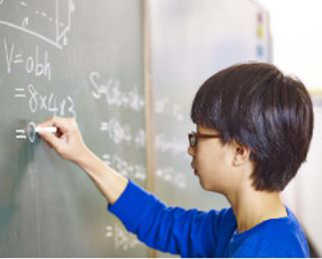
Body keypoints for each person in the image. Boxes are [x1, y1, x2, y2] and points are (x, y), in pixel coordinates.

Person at [37, 63, 313, 257]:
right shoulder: (241, 226)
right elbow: (161, 223)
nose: (190, 149)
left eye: (199, 137)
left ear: (240, 151)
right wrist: (82, 155)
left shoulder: (268, 251)